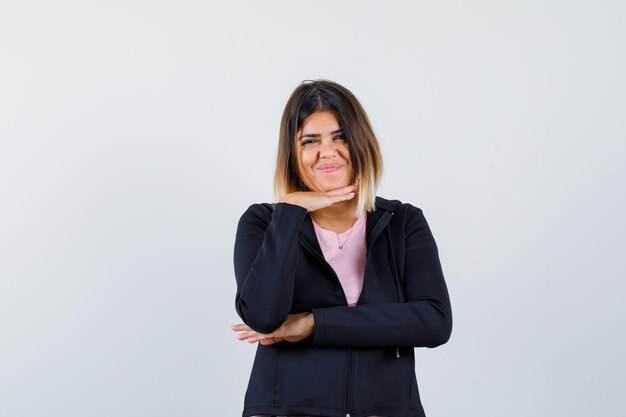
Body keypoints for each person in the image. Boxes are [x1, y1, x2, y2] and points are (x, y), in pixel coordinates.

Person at [231, 79, 452, 417]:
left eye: (340, 136)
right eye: (310, 140)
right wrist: (290, 211)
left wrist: (314, 323)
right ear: (293, 154)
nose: (327, 151)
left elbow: (434, 321)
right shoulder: (264, 223)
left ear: (360, 142)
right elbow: (263, 316)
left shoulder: (403, 222)